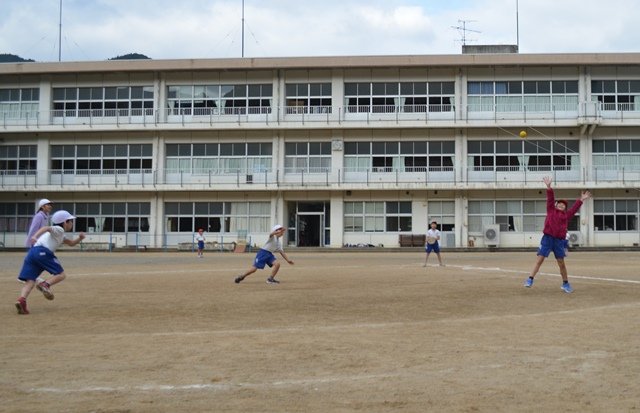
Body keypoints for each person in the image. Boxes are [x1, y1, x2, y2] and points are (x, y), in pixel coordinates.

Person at [524, 177, 591, 293]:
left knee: (561, 263)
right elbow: (550, 199)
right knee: (540, 259)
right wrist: (549, 187)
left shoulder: (567, 215)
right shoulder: (551, 210)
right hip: (547, 238)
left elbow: (574, 209)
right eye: (559, 204)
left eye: (564, 205)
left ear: (565, 208)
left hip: (559, 241)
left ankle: (565, 284)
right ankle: (530, 279)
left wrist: (582, 199)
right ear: (555, 205)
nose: (561, 205)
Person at [15, 210, 85, 315]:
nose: (72, 224)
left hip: (32, 253)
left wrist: (79, 238)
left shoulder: (60, 234)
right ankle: (45, 284)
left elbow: (71, 243)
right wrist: (34, 236)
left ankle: (22, 300)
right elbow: (46, 228)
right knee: (61, 275)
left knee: (30, 280)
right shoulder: (59, 229)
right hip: (42, 252)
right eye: (71, 221)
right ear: (65, 222)